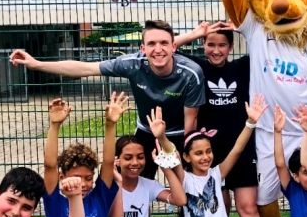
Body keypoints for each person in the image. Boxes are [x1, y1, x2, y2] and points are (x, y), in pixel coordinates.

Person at [11, 20, 205, 175]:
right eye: (151, 44)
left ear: (174, 46)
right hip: (146, 130)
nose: (158, 49)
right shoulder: (132, 64)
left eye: (164, 43)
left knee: (185, 187)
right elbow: (85, 68)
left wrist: (183, 154)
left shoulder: (191, 74)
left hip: (180, 133)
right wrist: (37, 64)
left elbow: (191, 122)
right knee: (130, 182)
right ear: (143, 48)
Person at [174, 20, 275, 217]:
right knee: (214, 207)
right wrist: (196, 33)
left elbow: (268, 44)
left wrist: (242, 27)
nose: (216, 50)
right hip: (207, 152)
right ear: (203, 45)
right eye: (210, 44)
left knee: (247, 206)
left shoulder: (242, 67)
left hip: (241, 147)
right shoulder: (197, 67)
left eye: (222, 45)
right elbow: (169, 48)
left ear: (231, 47)